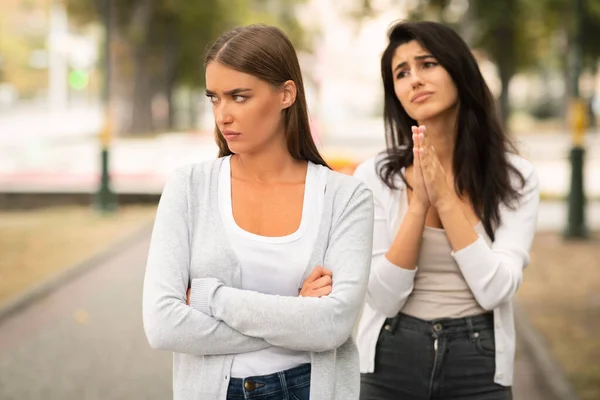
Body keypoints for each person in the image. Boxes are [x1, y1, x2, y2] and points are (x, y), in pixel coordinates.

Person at [142, 24, 374, 400]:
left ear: (286, 94)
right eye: (214, 98)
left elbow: (333, 326)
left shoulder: (345, 197)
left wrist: (210, 298)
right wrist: (297, 314)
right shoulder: (188, 187)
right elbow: (163, 325)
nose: (223, 115)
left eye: (238, 96)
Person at [353, 21, 540, 399]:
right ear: (396, 94)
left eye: (427, 64)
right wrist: (419, 204)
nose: (415, 80)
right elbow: (383, 299)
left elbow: (495, 290)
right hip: (391, 356)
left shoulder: (517, 178)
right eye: (401, 73)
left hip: (478, 359)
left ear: (459, 70)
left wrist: (445, 199)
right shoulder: (375, 176)